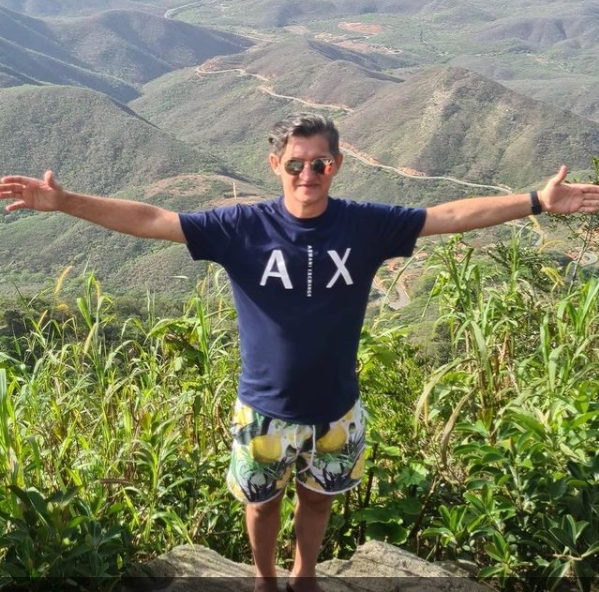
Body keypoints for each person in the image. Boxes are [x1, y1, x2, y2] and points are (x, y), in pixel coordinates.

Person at [1, 112, 599, 592]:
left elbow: (447, 215)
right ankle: (264, 577)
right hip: (263, 409)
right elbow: (154, 218)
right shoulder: (243, 228)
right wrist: (67, 202)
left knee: (317, 503)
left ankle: (304, 573)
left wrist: (535, 201)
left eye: (320, 163)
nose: (307, 174)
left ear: (335, 165)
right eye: (295, 163)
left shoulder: (364, 224)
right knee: (261, 506)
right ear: (276, 165)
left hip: (337, 410)